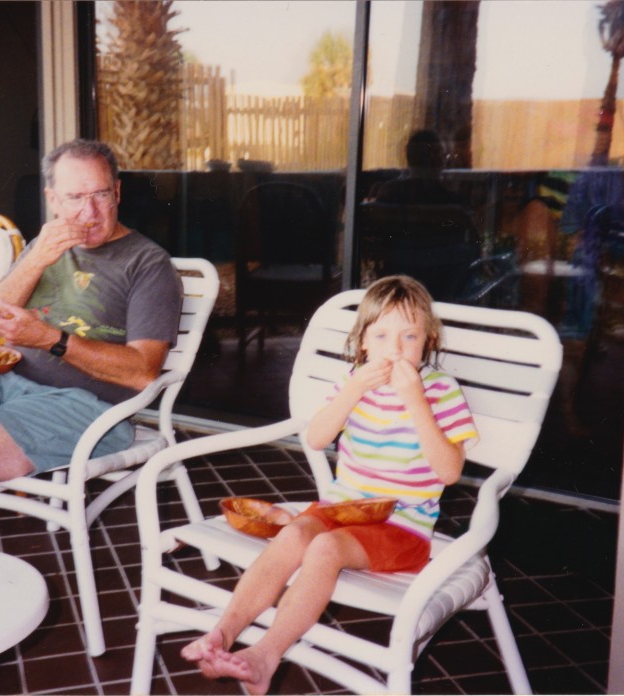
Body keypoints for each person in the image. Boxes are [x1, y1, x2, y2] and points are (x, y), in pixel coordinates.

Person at [0, 139, 183, 553]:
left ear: (117, 192)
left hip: (87, 406)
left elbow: (142, 370)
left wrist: (51, 340)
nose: (88, 212)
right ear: (52, 199)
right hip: (11, 380)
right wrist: (36, 259)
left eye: (99, 195)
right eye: (75, 197)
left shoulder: (147, 264)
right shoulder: (45, 247)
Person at [181, 275, 478, 695]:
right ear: (362, 343)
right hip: (341, 509)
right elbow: (317, 438)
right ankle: (222, 634)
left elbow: (449, 472)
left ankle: (265, 656)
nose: (395, 349)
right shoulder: (354, 381)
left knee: (323, 547)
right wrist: (353, 390)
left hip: (404, 526)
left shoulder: (441, 390)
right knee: (296, 532)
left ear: (428, 340)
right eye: (382, 335)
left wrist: (415, 402)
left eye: (409, 336)